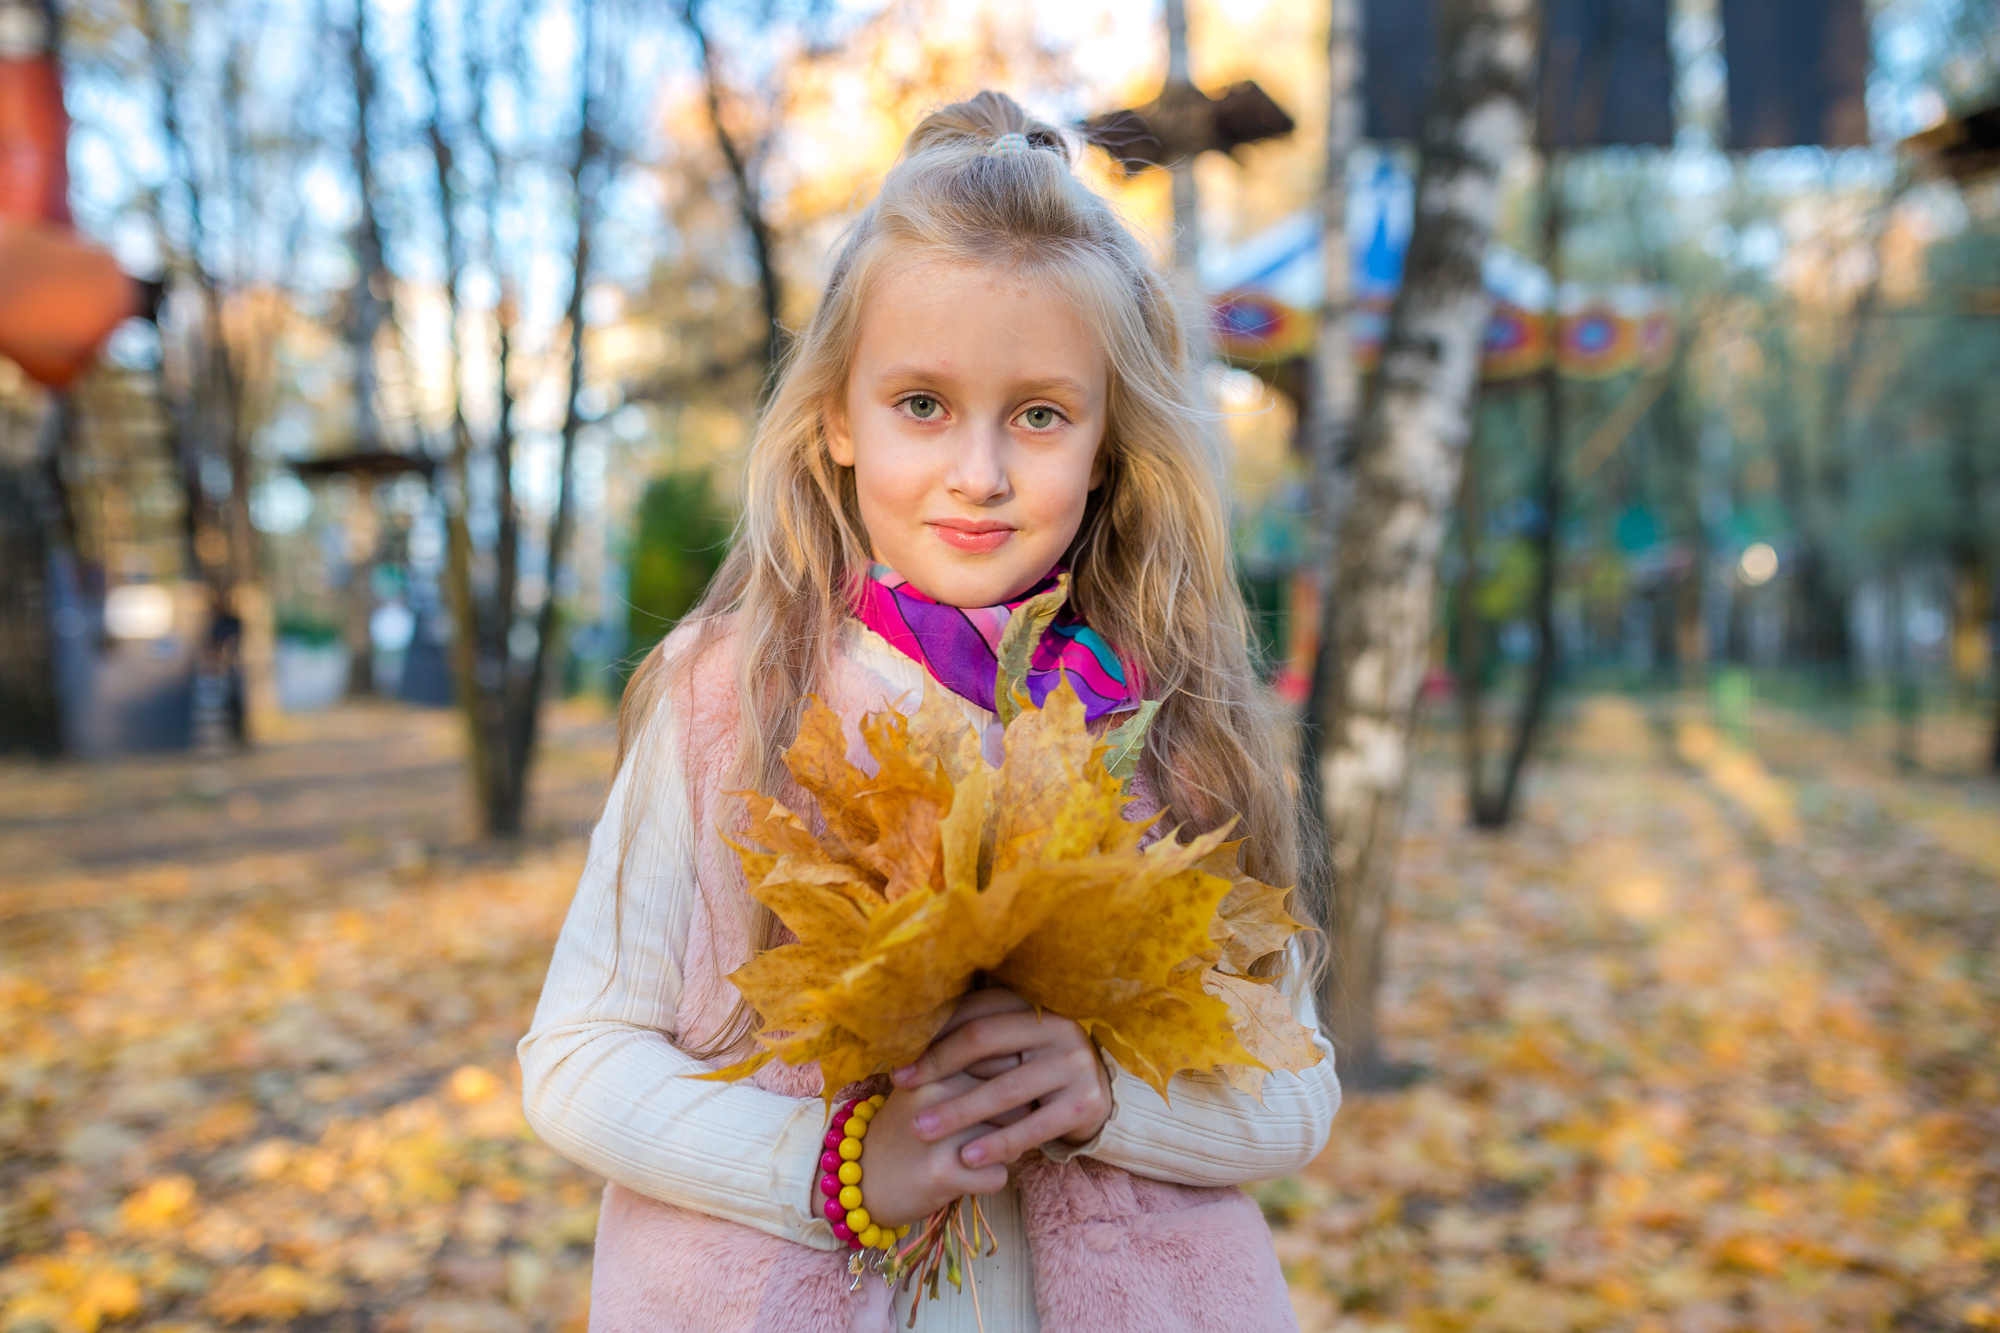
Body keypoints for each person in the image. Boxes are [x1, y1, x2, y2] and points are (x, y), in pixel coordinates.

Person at [519, 91, 1341, 1333]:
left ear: (1109, 443)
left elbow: (1298, 1093)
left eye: (1040, 415)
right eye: (920, 405)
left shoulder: (1167, 726)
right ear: (836, 420)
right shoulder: (733, 697)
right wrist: (841, 1166)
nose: (980, 472)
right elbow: (577, 1059)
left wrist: (1107, 1092)